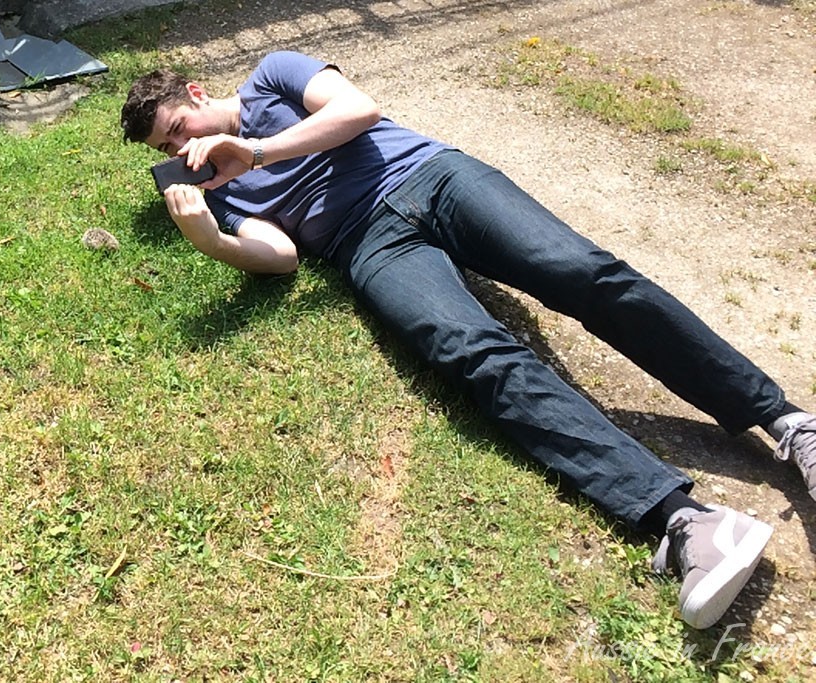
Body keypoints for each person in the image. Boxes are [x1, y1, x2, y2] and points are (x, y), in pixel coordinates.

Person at [120, 50, 816, 629]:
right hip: (367, 245)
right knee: (473, 354)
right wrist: (209, 238)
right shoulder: (219, 192)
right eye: (168, 149)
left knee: (582, 273)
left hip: (434, 177)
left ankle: (786, 423)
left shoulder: (273, 75)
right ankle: (685, 520)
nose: (183, 149)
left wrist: (259, 149)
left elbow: (357, 110)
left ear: (199, 92)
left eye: (180, 127)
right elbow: (281, 256)